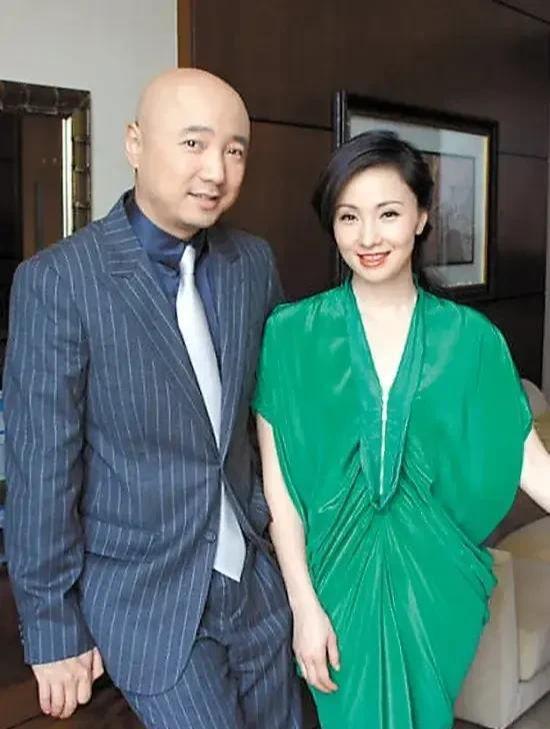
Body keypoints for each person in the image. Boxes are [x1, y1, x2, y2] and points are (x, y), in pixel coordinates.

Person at [4, 68, 302, 729]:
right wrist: (51, 628)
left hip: (256, 589)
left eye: (234, 150)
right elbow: (41, 468)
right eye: (194, 143)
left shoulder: (252, 262)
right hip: (149, 601)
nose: (216, 171)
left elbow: (275, 415)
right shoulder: (59, 281)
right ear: (134, 143)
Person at [253, 130, 550, 729]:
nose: (367, 237)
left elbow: (527, 462)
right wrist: (303, 606)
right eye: (349, 217)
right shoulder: (291, 335)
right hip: (335, 588)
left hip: (436, 589)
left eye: (387, 213)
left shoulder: (471, 341)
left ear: (421, 216)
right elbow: (280, 492)